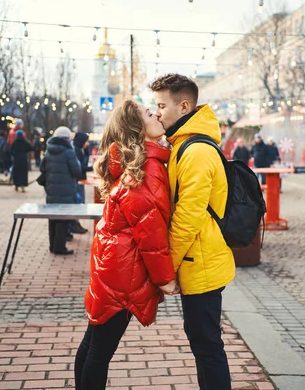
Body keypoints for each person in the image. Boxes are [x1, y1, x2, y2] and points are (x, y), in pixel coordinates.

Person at [75, 100, 178, 390]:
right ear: (137, 129)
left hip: (112, 266)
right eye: (149, 113)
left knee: (93, 344)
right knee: (99, 351)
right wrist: (165, 280)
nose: (156, 114)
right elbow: (152, 236)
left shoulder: (137, 166)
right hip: (123, 272)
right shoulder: (146, 170)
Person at [150, 73, 234, 390]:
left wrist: (165, 269)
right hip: (197, 260)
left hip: (201, 262)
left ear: (184, 106)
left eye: (161, 105)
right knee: (203, 341)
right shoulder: (184, 145)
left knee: (207, 345)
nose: (157, 112)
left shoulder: (196, 151)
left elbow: (188, 217)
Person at [40, 126, 82, 255]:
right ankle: (60, 247)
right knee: (63, 219)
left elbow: (42, 169)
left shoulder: (48, 151)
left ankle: (52, 245)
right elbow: (76, 171)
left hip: (51, 190)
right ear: (68, 138)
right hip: (66, 190)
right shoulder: (69, 152)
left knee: (52, 218)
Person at [71, 132, 94, 235]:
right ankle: (74, 224)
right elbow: (80, 166)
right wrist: (92, 168)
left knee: (80, 202)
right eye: (86, 141)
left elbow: (85, 161)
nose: (87, 143)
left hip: (80, 179)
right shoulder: (75, 150)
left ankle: (76, 223)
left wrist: (86, 151)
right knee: (78, 202)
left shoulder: (80, 149)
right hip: (77, 180)